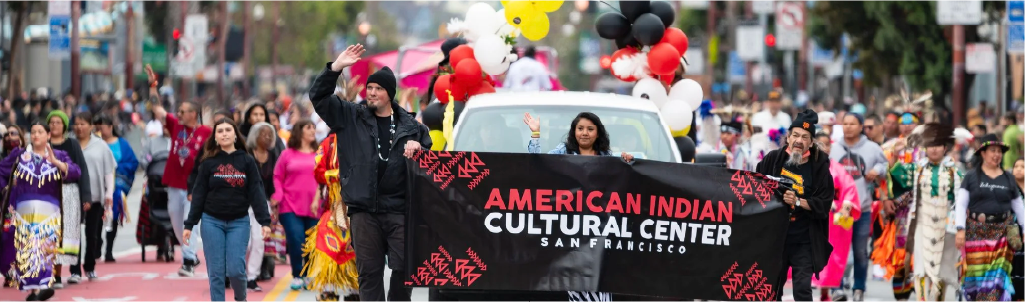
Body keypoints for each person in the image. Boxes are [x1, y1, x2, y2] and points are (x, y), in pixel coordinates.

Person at [310, 44, 431, 302]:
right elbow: (318, 97)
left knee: (403, 269)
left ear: (390, 94)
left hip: (400, 209)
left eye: (378, 89)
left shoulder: (412, 126)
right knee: (369, 274)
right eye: (370, 88)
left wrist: (419, 147)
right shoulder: (351, 116)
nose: (372, 93)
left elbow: (429, 163)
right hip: (364, 210)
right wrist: (335, 68)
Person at [524, 111, 633, 302]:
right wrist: (535, 134)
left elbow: (626, 179)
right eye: (580, 128)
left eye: (590, 129)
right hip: (570, 229)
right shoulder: (563, 152)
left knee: (599, 279)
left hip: (598, 230)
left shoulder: (608, 157)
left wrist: (628, 162)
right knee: (575, 280)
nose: (585, 133)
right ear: (574, 131)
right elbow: (537, 165)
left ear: (598, 133)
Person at [182, 118, 272, 302]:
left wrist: (265, 221)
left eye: (228, 130)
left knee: (236, 270)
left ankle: (241, 298)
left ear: (235, 135)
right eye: (220, 131)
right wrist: (189, 224)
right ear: (215, 137)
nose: (224, 133)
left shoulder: (246, 161)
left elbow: (256, 191)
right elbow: (198, 194)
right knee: (216, 272)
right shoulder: (208, 163)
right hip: (211, 221)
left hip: (238, 221)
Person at [755, 109, 834, 302]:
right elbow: (754, 187)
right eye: (796, 135)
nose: (799, 140)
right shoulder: (773, 159)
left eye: (805, 137)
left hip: (804, 239)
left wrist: (797, 201)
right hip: (776, 237)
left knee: (802, 289)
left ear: (811, 142)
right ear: (788, 137)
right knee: (772, 289)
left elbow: (824, 204)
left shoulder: (820, 167)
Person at [0, 121, 81, 301]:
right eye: (33, 132)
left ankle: (42, 286)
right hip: (23, 213)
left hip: (49, 213)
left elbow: (76, 172)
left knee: (45, 252)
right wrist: (7, 189)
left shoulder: (59, 155)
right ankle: (34, 291)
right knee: (27, 252)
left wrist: (56, 163)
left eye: (40, 132)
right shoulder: (20, 155)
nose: (36, 135)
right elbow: (1, 172)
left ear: (48, 136)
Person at [892, 124, 961, 302]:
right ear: (925, 148)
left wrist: (960, 227)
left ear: (945, 148)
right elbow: (897, 175)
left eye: (938, 145)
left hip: (946, 225)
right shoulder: (919, 168)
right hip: (922, 221)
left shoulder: (954, 170)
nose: (934, 149)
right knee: (921, 268)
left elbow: (960, 201)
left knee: (941, 269)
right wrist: (895, 155)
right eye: (931, 145)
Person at [955, 134, 1025, 302]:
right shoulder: (971, 177)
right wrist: (960, 229)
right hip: (975, 234)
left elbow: (1019, 207)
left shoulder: (1008, 178)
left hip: (1003, 235)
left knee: (997, 281)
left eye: (999, 151)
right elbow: (961, 204)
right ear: (983, 154)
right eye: (992, 150)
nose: (997, 154)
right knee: (977, 281)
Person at [828, 113, 887, 302]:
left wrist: (876, 171)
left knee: (860, 252)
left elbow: (884, 163)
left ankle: (859, 287)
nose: (848, 127)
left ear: (861, 126)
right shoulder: (834, 148)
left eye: (852, 124)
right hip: (839, 209)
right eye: (845, 123)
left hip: (862, 209)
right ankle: (836, 288)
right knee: (837, 250)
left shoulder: (872, 148)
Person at [152, 100, 212, 277]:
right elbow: (158, 109)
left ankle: (187, 261)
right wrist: (153, 86)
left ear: (193, 114)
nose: (178, 114)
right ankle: (191, 254)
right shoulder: (175, 126)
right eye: (178, 111)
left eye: (182, 111)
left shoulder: (206, 132)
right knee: (176, 221)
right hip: (174, 182)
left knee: (189, 222)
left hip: (195, 186)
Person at [303, 133, 360, 302]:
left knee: (357, 251)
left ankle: (353, 292)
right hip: (334, 207)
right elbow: (318, 171)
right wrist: (337, 176)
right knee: (327, 249)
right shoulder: (328, 143)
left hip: (360, 208)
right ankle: (329, 291)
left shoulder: (363, 137)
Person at [272, 119, 321, 290]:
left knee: (311, 242)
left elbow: (324, 178)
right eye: (308, 128)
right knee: (296, 238)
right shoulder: (287, 154)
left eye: (314, 128)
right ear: (299, 131)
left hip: (315, 206)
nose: (312, 131)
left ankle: (308, 273)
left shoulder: (319, 153)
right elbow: (277, 176)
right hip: (289, 205)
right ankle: (297, 274)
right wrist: (278, 195)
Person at [45, 109, 92, 288]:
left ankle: (75, 270)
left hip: (69, 192)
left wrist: (86, 196)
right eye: (52, 122)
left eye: (58, 122)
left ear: (64, 125)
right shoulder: (44, 143)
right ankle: (52, 275)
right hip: (48, 194)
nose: (54, 125)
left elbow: (82, 170)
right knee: (50, 233)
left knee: (71, 233)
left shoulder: (72, 144)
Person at [67, 111, 116, 281]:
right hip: (72, 196)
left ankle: (89, 266)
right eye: (77, 124)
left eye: (83, 124)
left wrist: (109, 193)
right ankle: (74, 270)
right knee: (73, 234)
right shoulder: (70, 144)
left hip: (95, 196)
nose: (79, 127)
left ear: (91, 126)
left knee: (92, 233)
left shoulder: (100, 145)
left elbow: (109, 171)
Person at [811, 132, 859, 302]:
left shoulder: (838, 169)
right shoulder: (805, 167)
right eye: (820, 144)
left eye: (827, 144)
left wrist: (846, 204)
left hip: (832, 221)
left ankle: (826, 293)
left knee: (830, 257)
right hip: (811, 218)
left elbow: (849, 188)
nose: (824, 147)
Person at [95, 114, 139, 262]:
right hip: (97, 184)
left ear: (110, 127)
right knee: (96, 215)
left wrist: (117, 168)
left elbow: (132, 162)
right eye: (98, 128)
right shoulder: (95, 143)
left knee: (112, 215)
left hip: (116, 185)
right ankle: (96, 243)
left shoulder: (122, 144)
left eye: (103, 128)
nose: (101, 131)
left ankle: (108, 249)